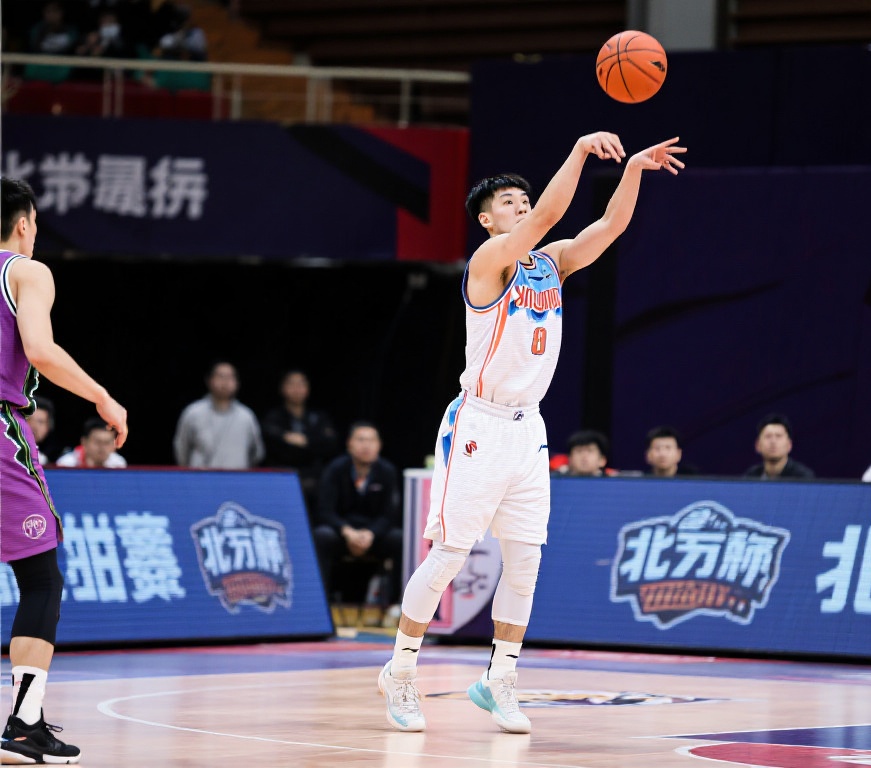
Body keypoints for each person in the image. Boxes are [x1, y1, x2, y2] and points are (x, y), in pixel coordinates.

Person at [377, 131, 686, 734]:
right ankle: (401, 670)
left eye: (525, 199)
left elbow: (609, 227)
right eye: (510, 203)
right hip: (478, 423)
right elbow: (546, 217)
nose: (521, 207)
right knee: (449, 556)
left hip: (528, 429)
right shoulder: (488, 263)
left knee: (525, 564)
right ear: (487, 220)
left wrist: (633, 171)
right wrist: (578, 151)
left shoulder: (551, 263)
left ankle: (499, 679)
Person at [0, 177, 128, 764]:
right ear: (24, 223)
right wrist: (103, 397)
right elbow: (40, 351)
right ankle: (24, 724)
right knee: (41, 577)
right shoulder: (27, 271)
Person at [313, 421, 401, 605]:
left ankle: (397, 604)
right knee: (321, 536)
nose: (366, 445)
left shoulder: (387, 471)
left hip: (373, 535)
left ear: (379, 445)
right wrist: (348, 532)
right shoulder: (335, 469)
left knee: (400, 539)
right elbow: (325, 511)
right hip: (343, 534)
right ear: (349, 444)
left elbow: (389, 514)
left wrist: (371, 533)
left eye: (371, 440)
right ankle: (320, 602)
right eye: (360, 440)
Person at [261, 369, 340, 520]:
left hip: (314, 480)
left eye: (301, 384)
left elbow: (329, 445)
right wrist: (309, 444)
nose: (296, 389)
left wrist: (305, 441)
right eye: (292, 384)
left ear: (308, 389)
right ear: (283, 388)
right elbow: (274, 446)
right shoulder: (273, 417)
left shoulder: (318, 417)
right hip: (281, 479)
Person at [172, 361, 264, 469]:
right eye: (220, 376)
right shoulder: (193, 412)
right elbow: (181, 448)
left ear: (237, 383)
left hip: (236, 476)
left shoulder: (246, 416)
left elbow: (257, 453)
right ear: (209, 380)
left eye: (230, 377)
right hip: (200, 476)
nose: (225, 382)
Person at [742, 413, 815, 479]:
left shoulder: (803, 478)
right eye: (768, 436)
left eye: (778, 436)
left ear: (789, 445)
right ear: (758, 445)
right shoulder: (750, 477)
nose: (773, 441)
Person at [55, 416, 127, 468]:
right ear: (84, 442)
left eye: (107, 443)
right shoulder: (66, 464)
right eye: (97, 442)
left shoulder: (118, 464)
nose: (102, 447)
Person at [24, 395, 56, 466]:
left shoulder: (43, 461)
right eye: (29, 419)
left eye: (40, 422)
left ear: (48, 428)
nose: (34, 426)